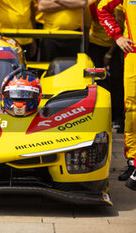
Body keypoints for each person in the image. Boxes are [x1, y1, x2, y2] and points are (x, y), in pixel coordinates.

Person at [98, 0, 136, 190]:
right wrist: (117, 36)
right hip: (133, 54)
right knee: (132, 109)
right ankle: (132, 162)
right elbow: (102, 9)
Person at [84, 0, 124, 131]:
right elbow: (86, 28)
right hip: (96, 45)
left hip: (116, 44)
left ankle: (118, 118)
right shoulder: (91, 5)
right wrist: (85, 51)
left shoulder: (116, 5)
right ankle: (97, 116)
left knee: (118, 81)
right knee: (97, 82)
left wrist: (109, 54)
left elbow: (120, 29)